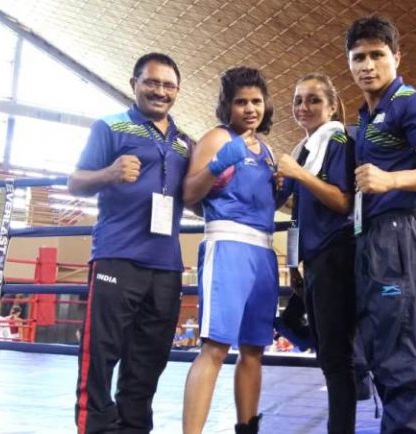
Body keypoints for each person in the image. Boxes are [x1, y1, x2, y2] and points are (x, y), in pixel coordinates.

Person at [346, 16, 416, 433]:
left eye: (377, 55)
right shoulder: (367, 115)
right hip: (376, 239)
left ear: (396, 57)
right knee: (382, 358)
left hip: (403, 238)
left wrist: (391, 179)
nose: (367, 65)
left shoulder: (411, 101)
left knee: (402, 363)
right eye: (359, 57)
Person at [68, 52, 194, 434]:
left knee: (149, 359)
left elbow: (196, 197)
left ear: (178, 90)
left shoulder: (185, 143)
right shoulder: (110, 126)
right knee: (100, 354)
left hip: (166, 265)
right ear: (134, 83)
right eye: (151, 82)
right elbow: (75, 182)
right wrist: (109, 172)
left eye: (168, 85)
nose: (160, 91)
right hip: (117, 256)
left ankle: (134, 428)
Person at [181, 66, 278, 434]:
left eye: (256, 101)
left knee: (253, 349)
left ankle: (247, 429)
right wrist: (219, 163)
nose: (250, 109)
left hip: (263, 251)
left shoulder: (266, 150)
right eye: (241, 102)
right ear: (228, 106)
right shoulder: (217, 138)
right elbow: (190, 194)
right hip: (227, 246)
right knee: (215, 348)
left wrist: (282, 187)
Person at [275, 73, 357, 433]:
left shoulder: (337, 140)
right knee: (326, 353)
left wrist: (299, 174)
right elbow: (296, 210)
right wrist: (294, 263)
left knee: (336, 359)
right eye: (298, 100)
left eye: (313, 100)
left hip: (337, 255)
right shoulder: (303, 150)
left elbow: (342, 202)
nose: (303, 107)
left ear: (332, 106)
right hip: (314, 261)